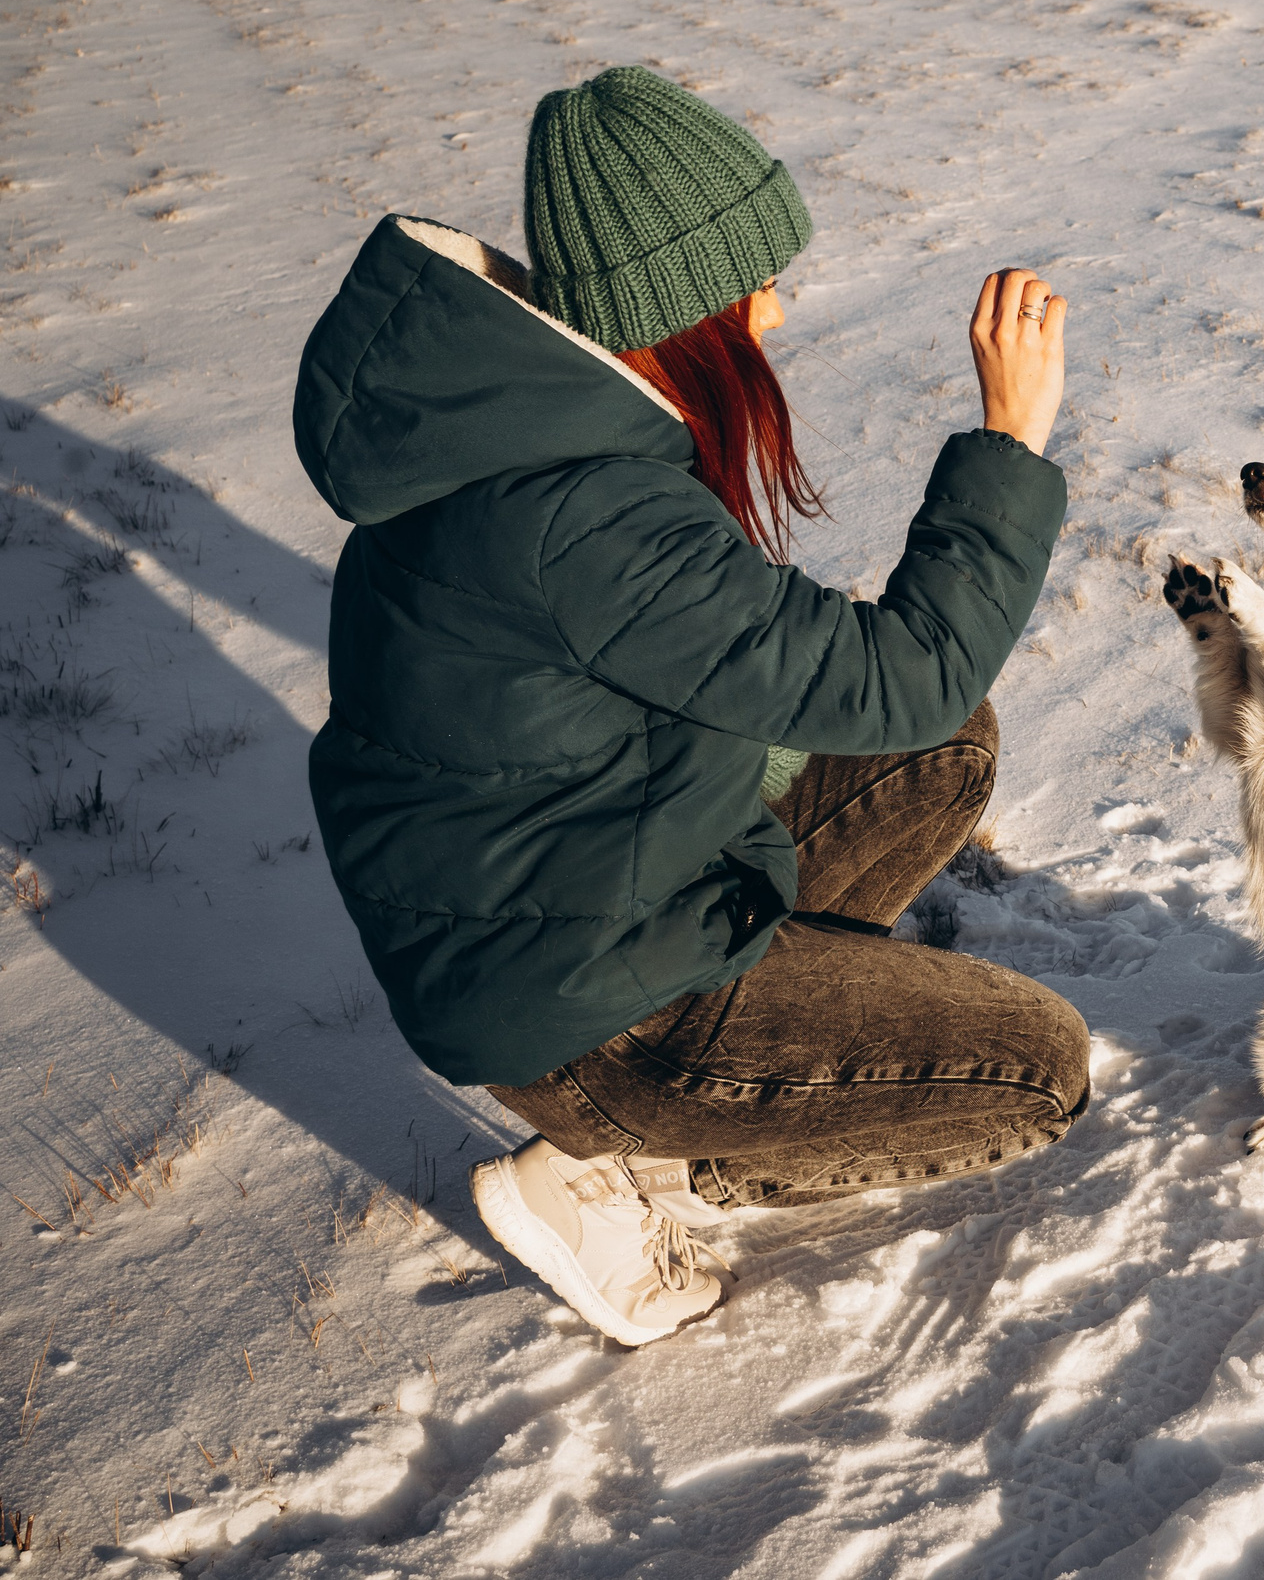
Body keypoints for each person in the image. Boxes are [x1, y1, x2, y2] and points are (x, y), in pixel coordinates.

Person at [291, 66, 1089, 1345]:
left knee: (939, 745)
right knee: (1033, 1072)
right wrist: (1011, 439)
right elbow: (909, 664)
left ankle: (762, 1047)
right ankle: (627, 1167)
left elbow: (865, 697)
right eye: (750, 283)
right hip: (579, 1000)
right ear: (678, 307)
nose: (773, 309)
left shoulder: (517, 428)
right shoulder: (584, 514)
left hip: (564, 887)